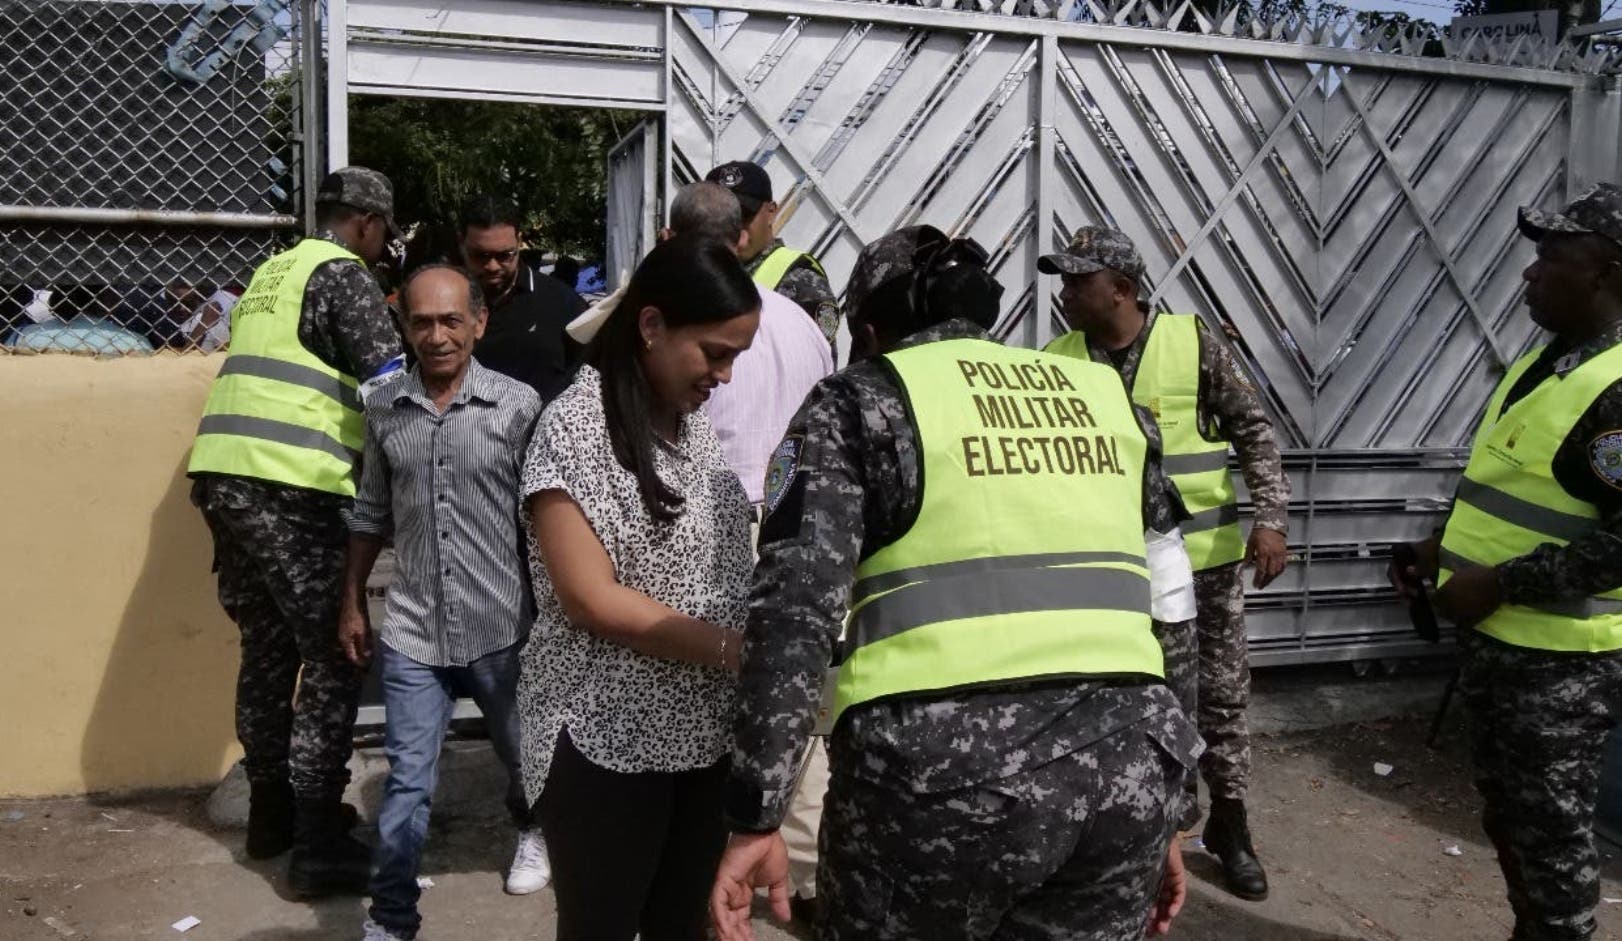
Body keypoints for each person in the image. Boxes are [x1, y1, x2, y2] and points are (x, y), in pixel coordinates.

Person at [710, 225, 1202, 941]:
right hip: (1126, 777)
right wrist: (1171, 804)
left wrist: (756, 811)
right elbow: (1173, 603)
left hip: (935, 788)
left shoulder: (858, 402)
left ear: (872, 328)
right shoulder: (1106, 398)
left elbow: (794, 616)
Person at [1392, 182, 1622, 941]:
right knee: (1511, 817)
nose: (1529, 273)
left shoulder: (1615, 386)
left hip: (1560, 665)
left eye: (1552, 257)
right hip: (1504, 649)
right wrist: (1441, 548)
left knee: (1552, 839)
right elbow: (1517, 484)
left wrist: (1501, 584)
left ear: (1607, 272)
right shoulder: (1552, 359)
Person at [519, 234, 762, 941]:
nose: (723, 375)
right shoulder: (574, 427)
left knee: (682, 925)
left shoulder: (688, 428)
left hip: (700, 734)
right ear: (652, 325)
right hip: (603, 739)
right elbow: (590, 597)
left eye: (735, 357)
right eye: (714, 352)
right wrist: (734, 649)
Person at [1040, 225, 1289, 901]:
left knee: (1220, 698)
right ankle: (1156, 829)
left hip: (1204, 564)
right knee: (1123, 699)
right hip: (1111, 569)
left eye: (1077, 280)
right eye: (1062, 279)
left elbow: (1253, 428)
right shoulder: (1058, 357)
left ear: (1120, 289)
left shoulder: (1191, 342)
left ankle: (1231, 830)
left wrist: (1270, 519)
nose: (1064, 293)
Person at [187, 166, 405, 897]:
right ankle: (316, 840)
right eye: (383, 235)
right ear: (368, 225)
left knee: (269, 645)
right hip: (289, 483)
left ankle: (272, 813)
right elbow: (388, 388)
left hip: (224, 477)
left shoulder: (271, 272)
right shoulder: (345, 276)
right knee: (337, 652)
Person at [336, 266, 550, 941]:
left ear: (478, 323)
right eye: (422, 321)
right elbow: (371, 510)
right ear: (404, 324)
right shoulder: (384, 408)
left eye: (451, 320)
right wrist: (352, 604)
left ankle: (531, 828)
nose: (436, 335)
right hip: (414, 630)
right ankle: (393, 918)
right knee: (406, 782)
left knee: (524, 756)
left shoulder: (517, 406)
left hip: (500, 626)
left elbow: (544, 520)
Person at [663, 181, 834, 917]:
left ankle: (704, 859)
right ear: (745, 236)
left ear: (673, 239)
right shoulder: (801, 321)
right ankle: (799, 874)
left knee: (705, 690)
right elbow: (819, 424)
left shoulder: (679, 321)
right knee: (795, 693)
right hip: (789, 516)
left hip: (709, 520)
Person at [458, 194, 587, 402]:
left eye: (503, 255)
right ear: (461, 244)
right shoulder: (442, 307)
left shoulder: (563, 304)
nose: (492, 266)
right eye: (480, 255)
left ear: (518, 242)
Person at [705, 160, 839, 350]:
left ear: (771, 212)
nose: (733, 227)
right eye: (721, 216)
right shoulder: (700, 269)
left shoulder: (801, 281)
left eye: (743, 216)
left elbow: (816, 364)